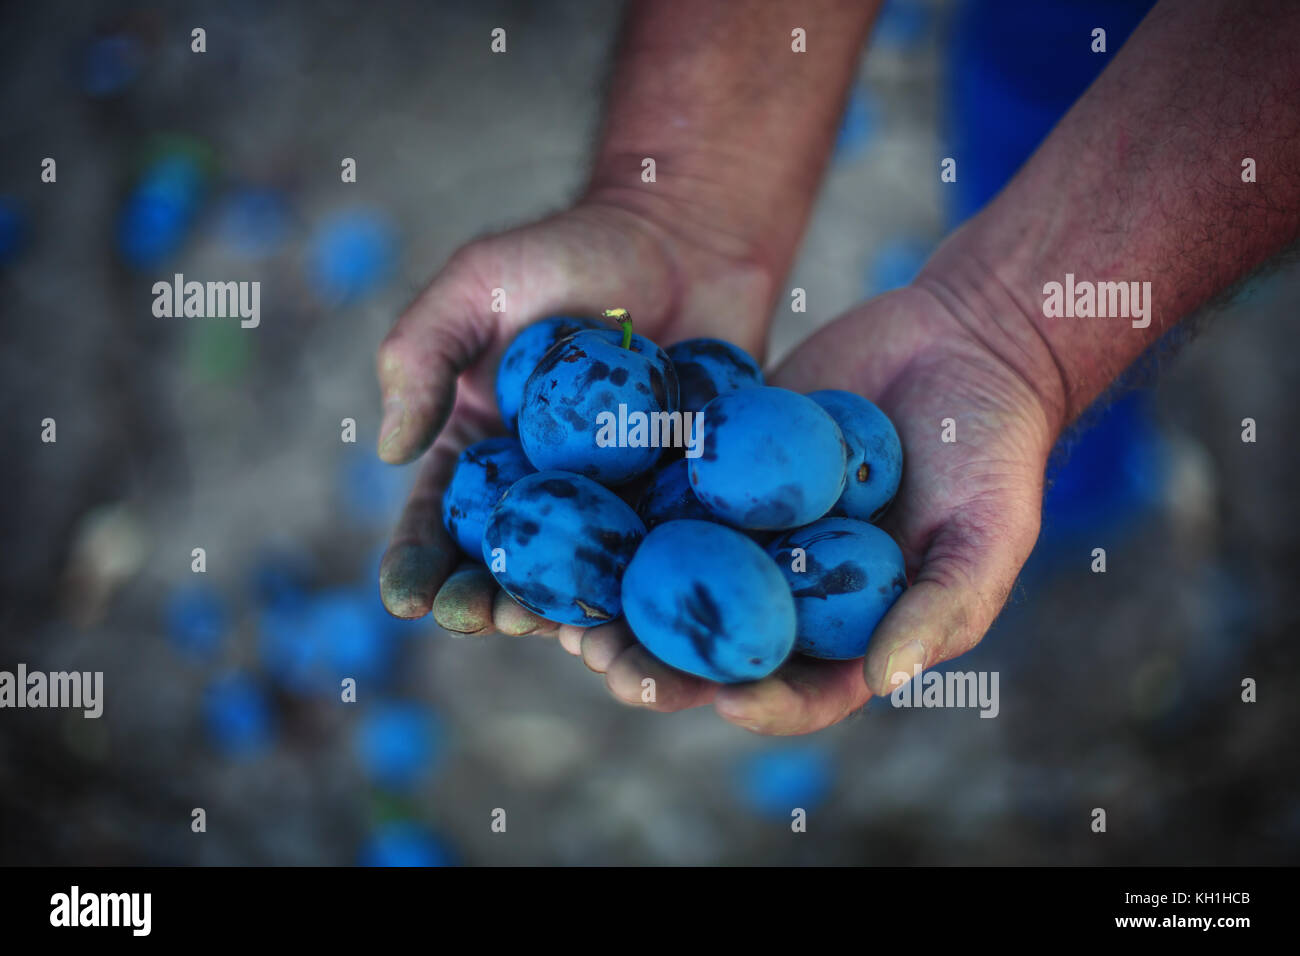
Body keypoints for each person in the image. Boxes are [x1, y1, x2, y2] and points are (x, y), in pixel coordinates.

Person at [373, 0, 1300, 735]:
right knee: (1050, 44)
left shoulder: (683, 444)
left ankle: (1092, 519)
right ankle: (1091, 504)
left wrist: (1036, 341)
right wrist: (674, 203)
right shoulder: (667, 442)